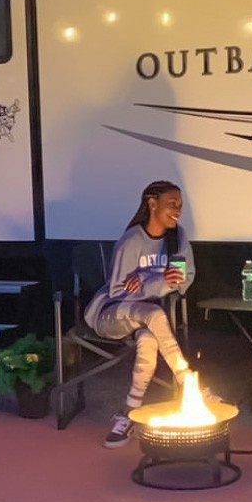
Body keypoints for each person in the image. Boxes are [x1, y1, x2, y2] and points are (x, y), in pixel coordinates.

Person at [85, 179, 195, 449]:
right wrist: (158, 281)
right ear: (152, 203)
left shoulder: (177, 237)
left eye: (180, 205)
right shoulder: (132, 240)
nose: (177, 210)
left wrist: (146, 279)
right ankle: (189, 382)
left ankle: (127, 415)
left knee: (148, 341)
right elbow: (118, 290)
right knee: (155, 315)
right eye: (172, 204)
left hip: (144, 316)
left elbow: (183, 280)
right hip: (111, 314)